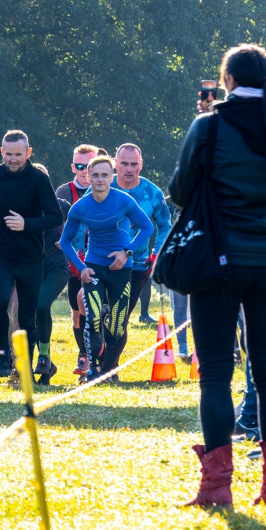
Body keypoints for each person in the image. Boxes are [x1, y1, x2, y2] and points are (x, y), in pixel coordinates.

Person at [171, 44, 266, 507]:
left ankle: (216, 489)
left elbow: (179, 190)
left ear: (227, 80)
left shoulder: (209, 126)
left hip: (218, 260)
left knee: (214, 373)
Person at [0, 131, 62, 382]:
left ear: (28, 153)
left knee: (26, 317)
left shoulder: (38, 179)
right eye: (9, 154)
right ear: (2, 152)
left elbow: (55, 217)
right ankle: (3, 352)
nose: (13, 159)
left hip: (30, 257)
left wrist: (26, 224)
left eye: (19, 154)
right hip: (0, 254)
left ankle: (26, 367)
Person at [60, 156, 154, 383]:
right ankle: (93, 373)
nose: (99, 179)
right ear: (88, 177)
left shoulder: (124, 200)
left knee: (116, 329)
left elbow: (147, 227)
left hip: (122, 269)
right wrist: (81, 267)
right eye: (95, 175)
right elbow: (65, 241)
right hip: (93, 268)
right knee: (91, 319)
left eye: (104, 175)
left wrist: (126, 252)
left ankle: (108, 365)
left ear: (111, 177)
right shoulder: (80, 206)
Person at [110, 143, 171, 352]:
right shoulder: (102, 186)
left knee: (120, 317)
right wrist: (80, 250)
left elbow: (165, 226)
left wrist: (157, 254)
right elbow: (81, 219)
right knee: (98, 315)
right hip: (102, 262)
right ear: (115, 164)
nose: (129, 169)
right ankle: (93, 362)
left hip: (136, 265)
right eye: (124, 163)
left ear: (141, 165)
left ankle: (109, 368)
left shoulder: (152, 193)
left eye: (133, 164)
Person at [54, 144, 99, 375]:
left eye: (88, 165)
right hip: (74, 262)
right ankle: (84, 355)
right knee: (77, 309)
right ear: (73, 166)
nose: (84, 170)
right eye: (79, 166)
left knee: (98, 308)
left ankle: (100, 357)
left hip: (101, 260)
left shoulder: (106, 189)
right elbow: (55, 221)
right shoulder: (64, 191)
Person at [33, 163, 68, 385]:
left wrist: (66, 238)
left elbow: (79, 229)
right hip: (30, 268)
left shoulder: (62, 206)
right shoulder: (19, 207)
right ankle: (46, 366)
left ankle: (44, 356)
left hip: (56, 267)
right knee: (29, 315)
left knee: (41, 305)